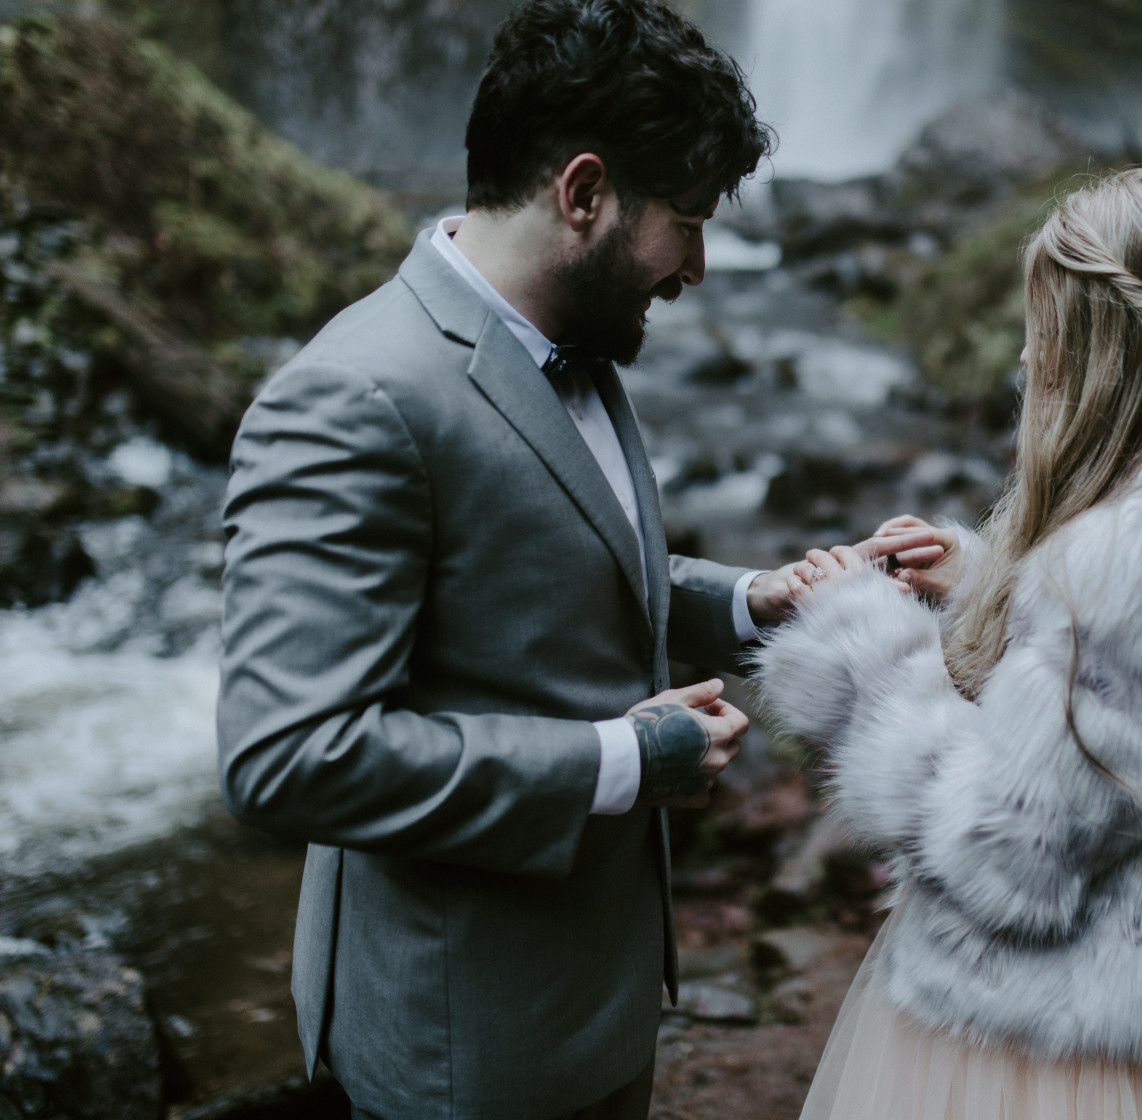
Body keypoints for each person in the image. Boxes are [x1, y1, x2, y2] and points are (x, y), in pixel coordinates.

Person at [216, 3, 809, 1117]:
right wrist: (623, 763)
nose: (695, 266)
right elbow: (286, 756)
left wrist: (752, 599)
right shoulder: (354, 396)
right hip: (461, 1049)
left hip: (597, 998)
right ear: (581, 194)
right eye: (683, 220)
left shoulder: (576, 333)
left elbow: (546, 575)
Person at [756, 165, 1142, 1120]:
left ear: (1107, 353)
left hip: (1065, 1051)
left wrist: (859, 642)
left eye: (1044, 329)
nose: (1023, 360)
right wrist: (987, 585)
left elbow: (1011, 852)